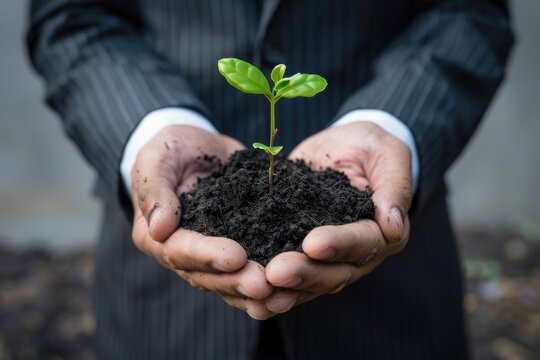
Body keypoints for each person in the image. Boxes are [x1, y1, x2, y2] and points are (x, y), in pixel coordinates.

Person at [27, 0, 513, 358]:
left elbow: (469, 12)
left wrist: (391, 124)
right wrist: (151, 127)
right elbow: (71, 16)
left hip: (389, 310)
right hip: (165, 319)